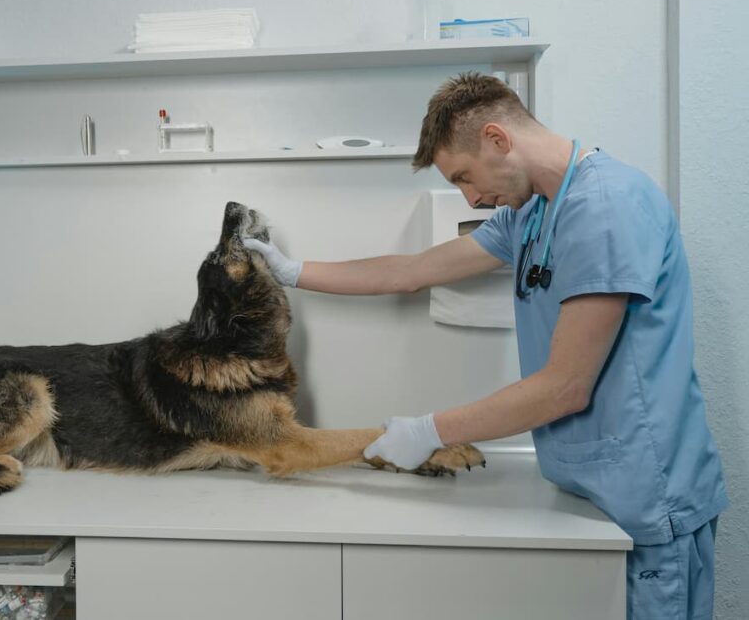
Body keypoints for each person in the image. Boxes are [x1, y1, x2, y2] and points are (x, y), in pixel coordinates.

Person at [244, 72, 726, 620]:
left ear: (498, 138)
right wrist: (292, 271)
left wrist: (430, 431)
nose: (471, 197)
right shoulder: (532, 211)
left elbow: (565, 387)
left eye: (464, 177)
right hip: (591, 488)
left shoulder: (605, 208)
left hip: (646, 493)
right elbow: (415, 270)